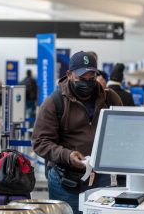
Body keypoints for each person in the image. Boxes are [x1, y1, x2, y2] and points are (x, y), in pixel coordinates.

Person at [32, 51, 122, 214]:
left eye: (91, 78)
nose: (87, 83)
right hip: (66, 181)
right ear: (69, 74)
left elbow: (123, 131)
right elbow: (40, 141)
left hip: (101, 178)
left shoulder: (110, 99)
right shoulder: (55, 102)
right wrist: (67, 155)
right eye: (82, 79)